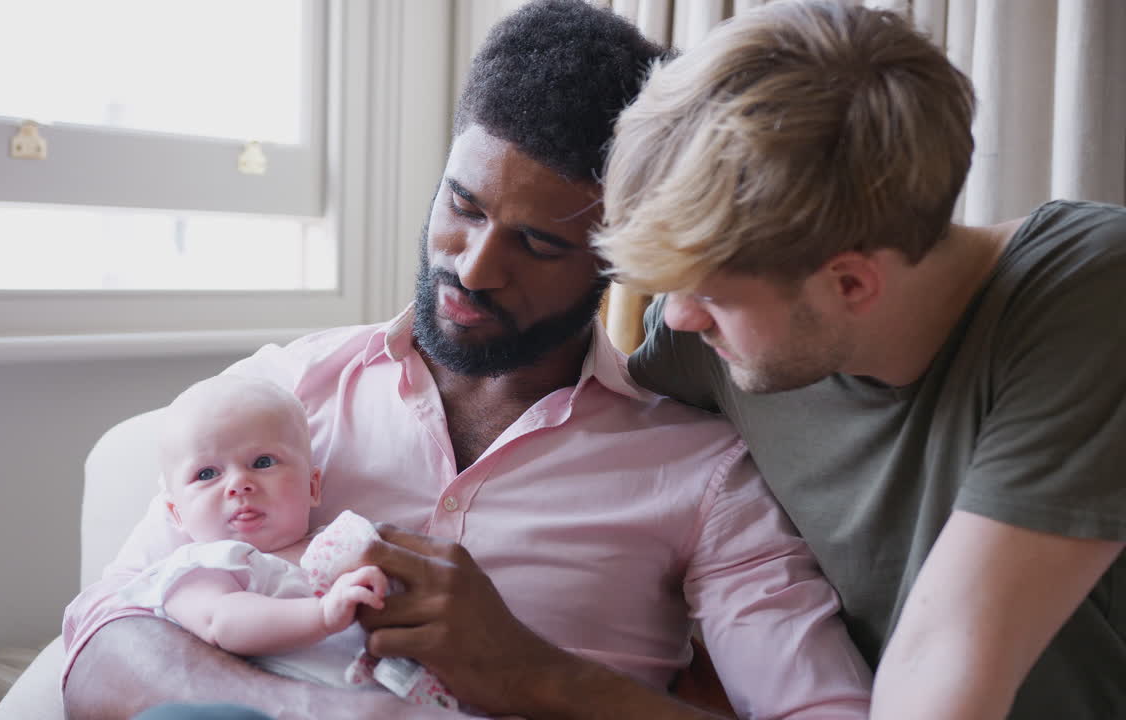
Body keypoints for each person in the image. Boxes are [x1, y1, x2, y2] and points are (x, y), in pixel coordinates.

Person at [62, 2, 873, 718]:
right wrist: (315, 713)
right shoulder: (280, 396)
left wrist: (538, 674)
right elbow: (102, 639)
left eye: (538, 243)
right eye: (463, 205)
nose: (476, 268)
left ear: (615, 258)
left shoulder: (701, 474)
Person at [593, 2, 1126, 719]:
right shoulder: (709, 337)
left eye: (710, 294)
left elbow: (946, 657)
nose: (677, 317)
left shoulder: (1093, 293)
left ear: (849, 284)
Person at [116, 374, 456, 710]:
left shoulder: (343, 543)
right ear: (176, 513)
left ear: (312, 487)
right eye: (207, 474)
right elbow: (221, 621)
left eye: (262, 462)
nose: (239, 484)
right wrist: (322, 615)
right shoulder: (201, 564)